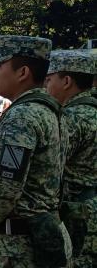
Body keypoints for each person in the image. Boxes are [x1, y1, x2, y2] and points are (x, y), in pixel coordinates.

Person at [0, 35, 71, 267]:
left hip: (21, 247)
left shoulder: (22, 116)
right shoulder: (49, 109)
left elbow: (6, 185)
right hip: (45, 235)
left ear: (22, 72)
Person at [45, 50, 96, 267]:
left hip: (81, 215)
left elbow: (50, 168)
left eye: (49, 80)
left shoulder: (72, 117)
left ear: (66, 81)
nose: (45, 86)